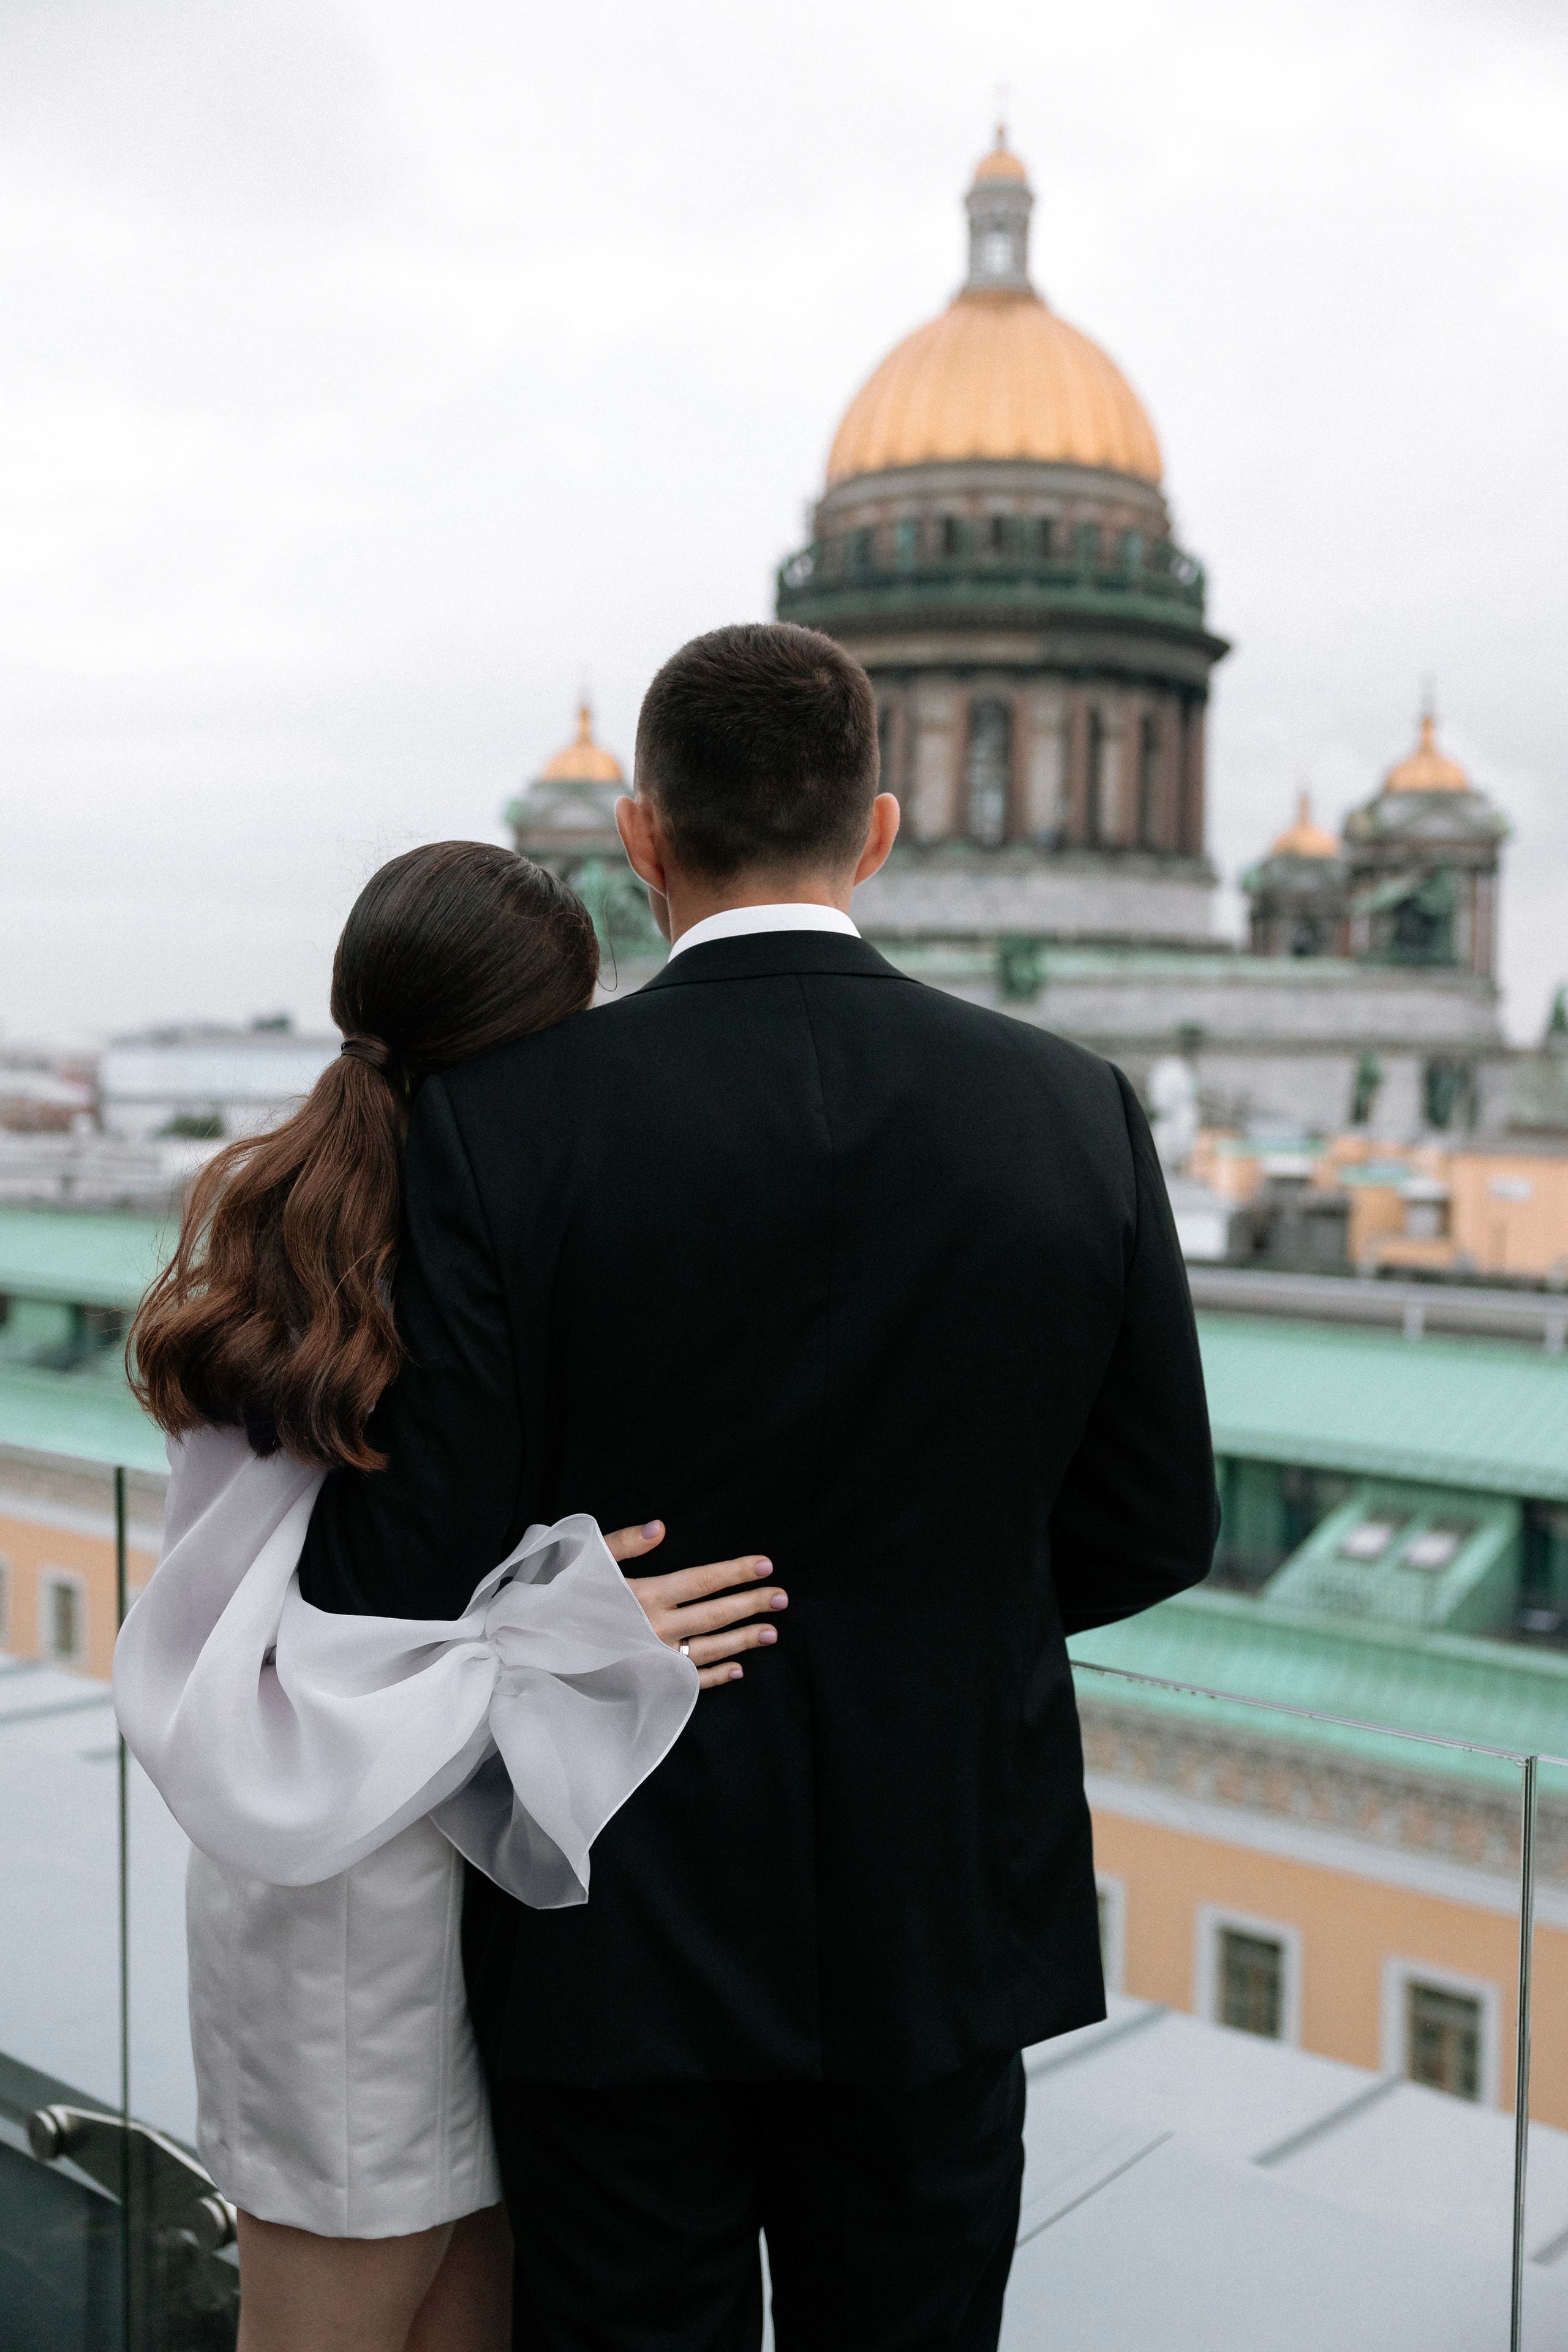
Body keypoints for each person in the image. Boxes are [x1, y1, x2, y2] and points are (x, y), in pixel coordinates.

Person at [301, 623, 1220, 2352]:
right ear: (875, 832)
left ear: (640, 840)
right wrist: (926, 1600)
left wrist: (609, 1631)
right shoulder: (1073, 1111)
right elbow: (1159, 1520)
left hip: (609, 1911)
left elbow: (403, 1564)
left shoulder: (501, 1122)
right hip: (942, 1910)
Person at [115, 843, 790, 2352]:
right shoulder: (440, 1259)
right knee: (353, 2306)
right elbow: (385, 1628)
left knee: (430, 2295)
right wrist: (593, 1622)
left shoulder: (291, 1223)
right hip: (371, 1877)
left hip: (336, 1862)